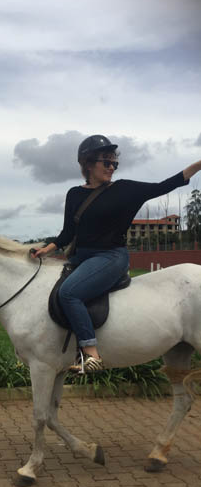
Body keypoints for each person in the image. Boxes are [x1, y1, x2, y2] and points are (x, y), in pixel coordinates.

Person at [32, 134, 201, 372]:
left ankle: (90, 354)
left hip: (111, 257)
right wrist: (46, 248)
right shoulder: (74, 194)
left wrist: (197, 166)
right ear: (88, 163)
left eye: (114, 163)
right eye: (106, 162)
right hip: (80, 258)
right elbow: (68, 232)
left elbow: (164, 186)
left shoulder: (124, 190)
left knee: (69, 294)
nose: (112, 167)